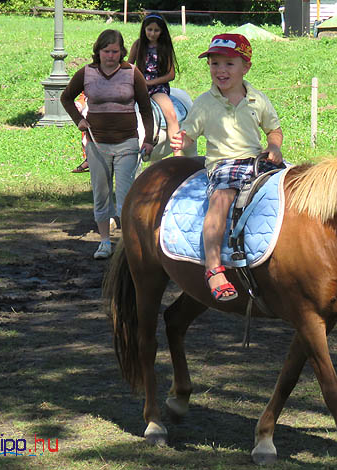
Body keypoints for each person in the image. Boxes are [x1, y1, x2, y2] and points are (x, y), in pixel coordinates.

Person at [170, 33, 284, 301]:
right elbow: (189, 133)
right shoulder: (204, 103)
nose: (220, 70)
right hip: (225, 164)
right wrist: (181, 139)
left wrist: (275, 147)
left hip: (257, 161)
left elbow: (274, 130)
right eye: (214, 64)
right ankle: (213, 269)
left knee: (292, 189)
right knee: (221, 200)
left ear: (246, 67)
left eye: (229, 64)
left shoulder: (258, 99)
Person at [60, 29, 154, 260]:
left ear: (121, 51)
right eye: (106, 51)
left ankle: (127, 244)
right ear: (98, 51)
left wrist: (149, 139)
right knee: (101, 193)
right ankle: (104, 242)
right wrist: (79, 120)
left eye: (114, 51)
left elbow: (145, 108)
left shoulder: (132, 73)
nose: (110, 56)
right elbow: (66, 97)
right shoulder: (86, 73)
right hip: (97, 144)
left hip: (127, 143)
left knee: (125, 196)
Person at [128, 13, 183, 156]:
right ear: (144, 29)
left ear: (162, 31)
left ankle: (177, 152)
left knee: (170, 114)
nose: (152, 33)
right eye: (149, 30)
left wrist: (150, 82)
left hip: (158, 86)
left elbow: (171, 74)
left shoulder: (164, 47)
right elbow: (129, 65)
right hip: (139, 85)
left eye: (156, 30)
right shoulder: (138, 44)